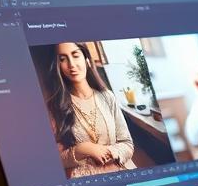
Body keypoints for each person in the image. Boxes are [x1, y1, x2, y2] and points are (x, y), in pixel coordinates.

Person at [46, 41, 136, 178]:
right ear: (58, 66)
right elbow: (55, 159)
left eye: (75, 55)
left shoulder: (107, 97)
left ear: (86, 59)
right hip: (85, 182)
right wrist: (83, 149)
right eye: (63, 59)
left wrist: (109, 151)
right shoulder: (55, 106)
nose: (71, 65)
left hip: (119, 174)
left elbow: (127, 144)